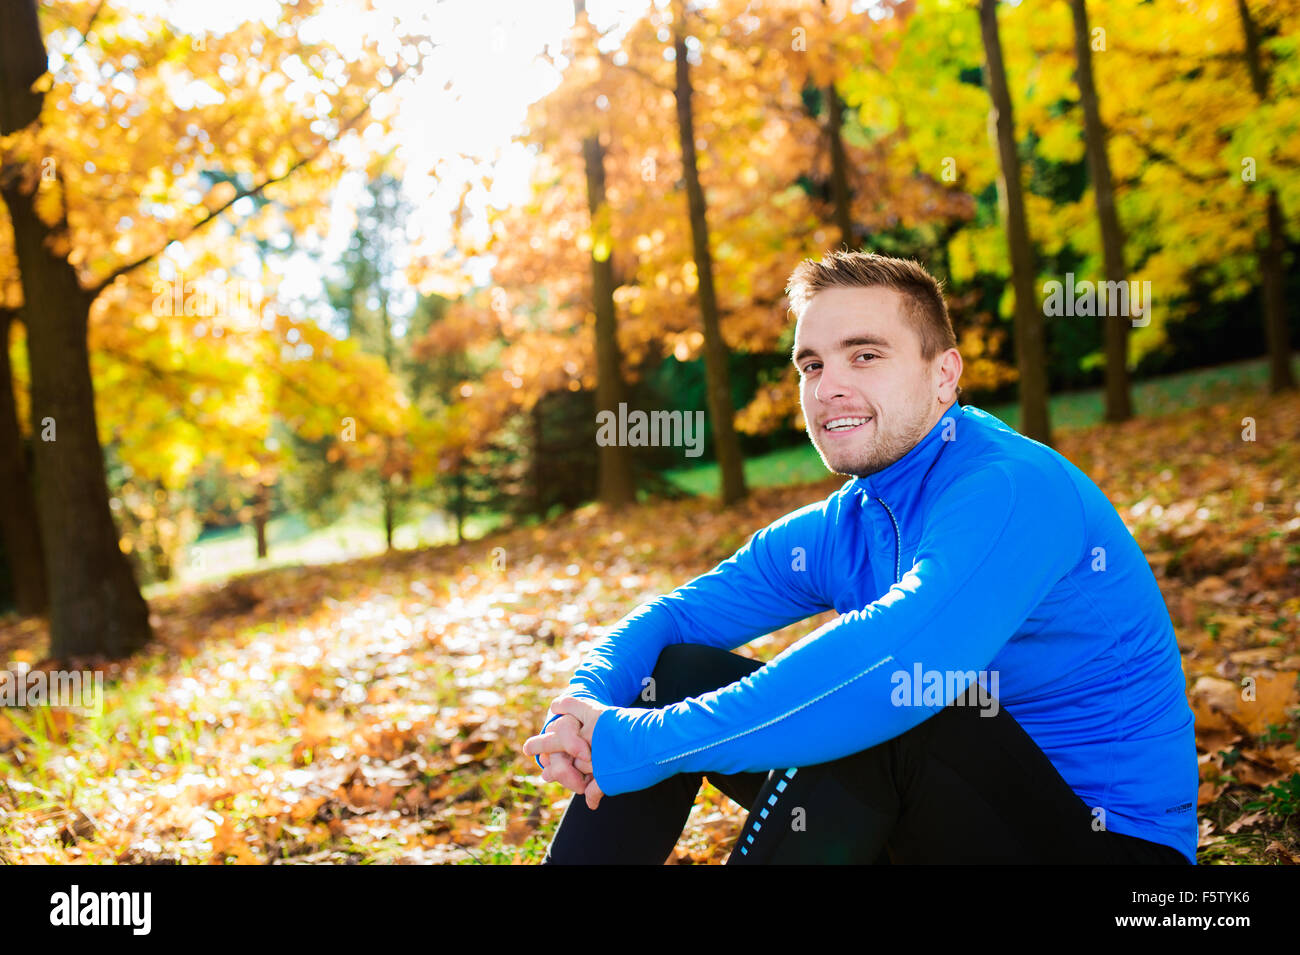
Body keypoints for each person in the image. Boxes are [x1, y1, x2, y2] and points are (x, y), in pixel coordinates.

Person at [522, 250, 1197, 865]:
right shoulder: (853, 516)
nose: (827, 387)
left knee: (872, 708)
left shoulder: (1009, 487)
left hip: (1110, 851)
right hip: (952, 823)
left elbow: (893, 665)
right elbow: (679, 618)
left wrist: (643, 743)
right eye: (811, 364)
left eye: (865, 355)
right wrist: (587, 701)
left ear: (944, 375)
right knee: (678, 671)